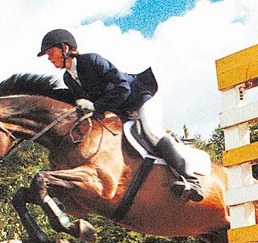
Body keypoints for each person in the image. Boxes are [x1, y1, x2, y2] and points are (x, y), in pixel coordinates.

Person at [37, 29, 204, 202]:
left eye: (51, 52)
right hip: (121, 110)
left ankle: (191, 180)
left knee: (152, 132)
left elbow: (123, 86)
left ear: (65, 48)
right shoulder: (68, 78)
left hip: (140, 97)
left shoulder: (92, 60)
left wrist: (96, 105)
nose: (49, 58)